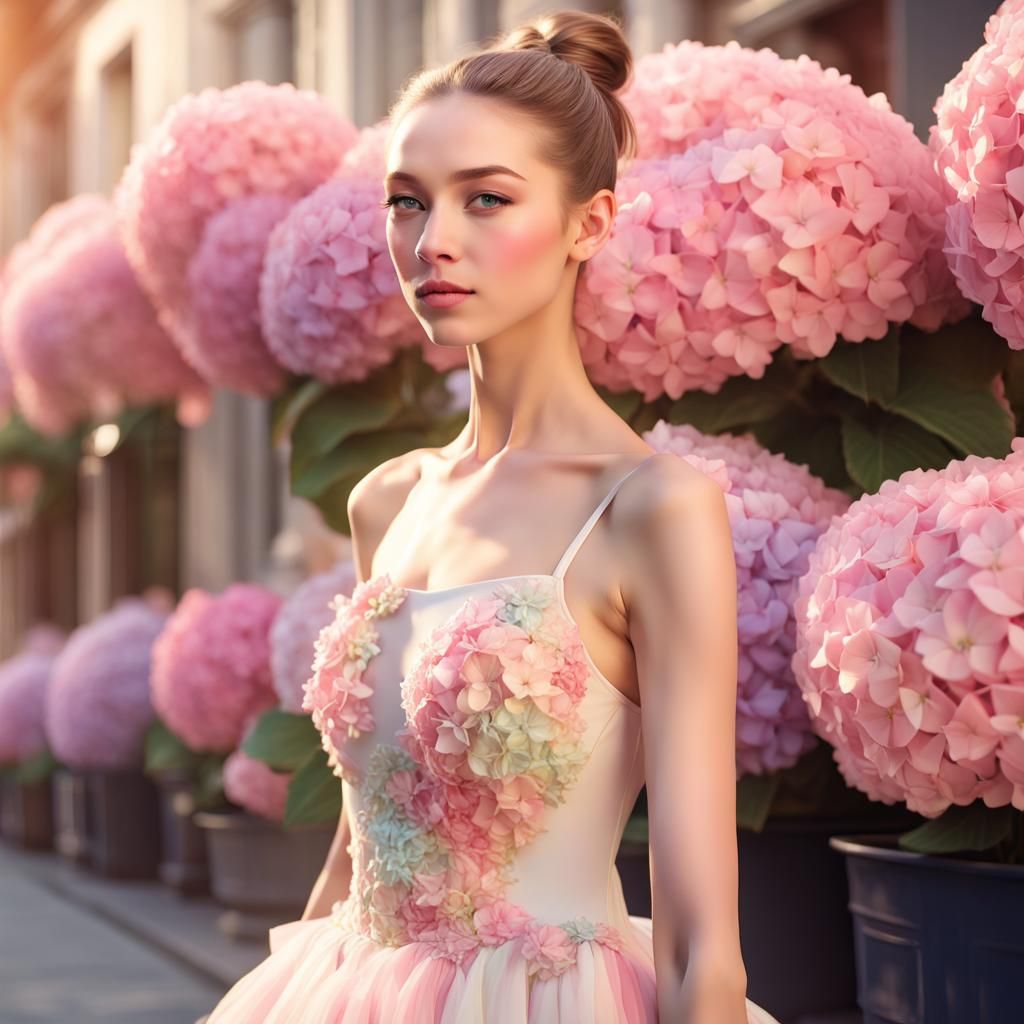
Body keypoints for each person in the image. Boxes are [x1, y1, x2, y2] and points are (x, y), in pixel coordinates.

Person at [203, 10, 783, 1023]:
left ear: (590, 223)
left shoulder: (651, 508)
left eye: (486, 199)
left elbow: (702, 937)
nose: (435, 242)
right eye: (406, 202)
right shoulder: (386, 499)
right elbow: (358, 844)